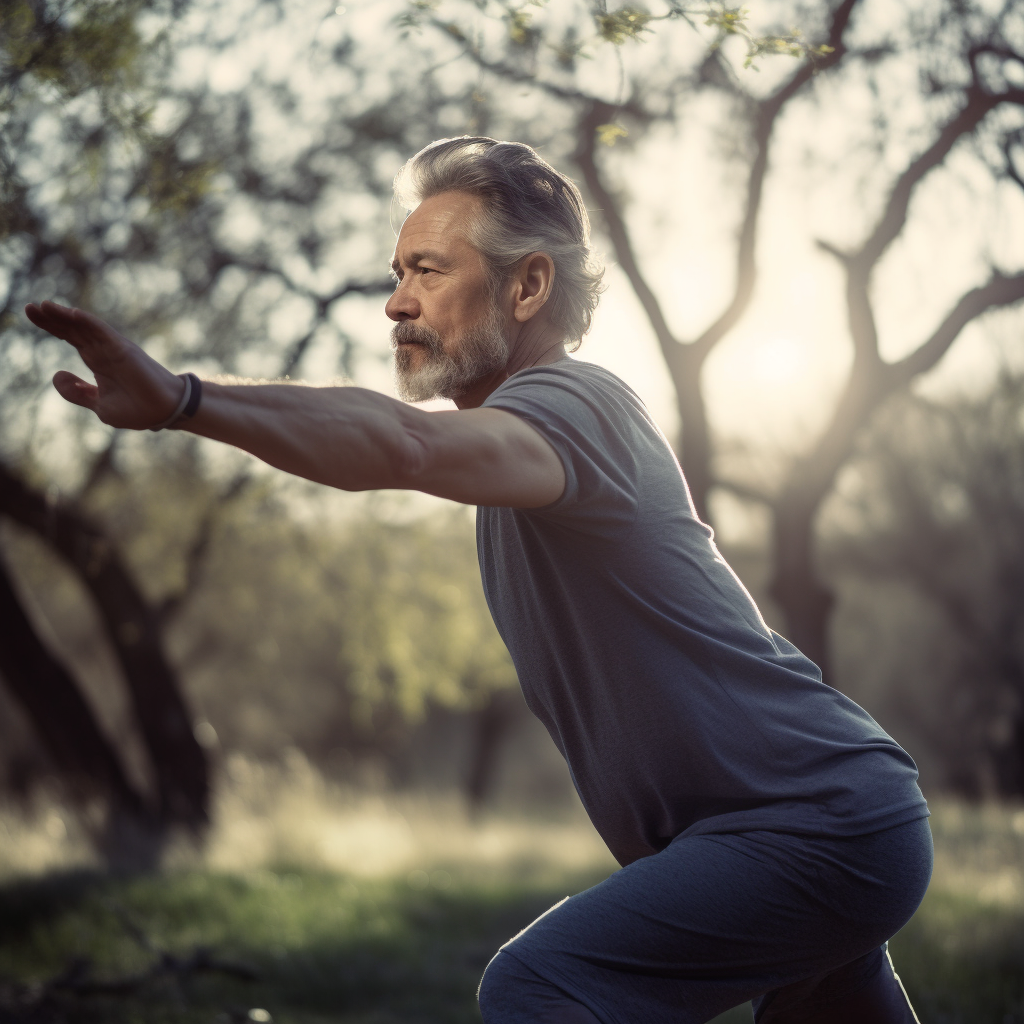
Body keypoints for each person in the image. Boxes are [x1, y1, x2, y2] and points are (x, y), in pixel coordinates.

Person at [27, 137, 932, 1024]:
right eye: (396, 275)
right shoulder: (519, 467)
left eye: (426, 271)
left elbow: (403, 443)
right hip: (793, 832)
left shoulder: (577, 406)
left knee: (542, 985)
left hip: (816, 825)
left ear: (527, 285)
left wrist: (187, 400)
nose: (396, 304)